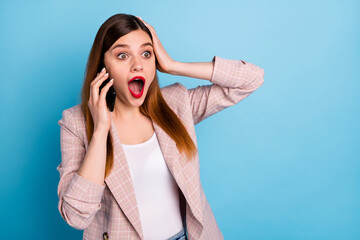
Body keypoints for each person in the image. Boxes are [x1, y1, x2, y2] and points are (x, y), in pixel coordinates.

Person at [56, 13, 265, 240]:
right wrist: (99, 132)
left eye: (146, 53)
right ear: (102, 66)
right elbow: (76, 217)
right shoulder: (76, 123)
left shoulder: (175, 103)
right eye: (123, 55)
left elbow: (251, 79)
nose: (138, 65)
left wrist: (173, 66)